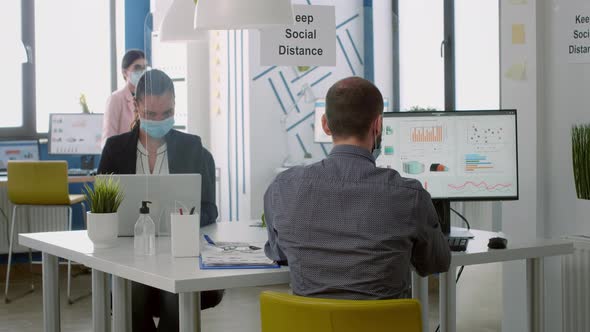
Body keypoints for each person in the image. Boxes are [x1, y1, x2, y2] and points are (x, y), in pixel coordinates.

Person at [264, 76, 451, 300]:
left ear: (325, 125)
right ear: (378, 125)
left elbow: (280, 254)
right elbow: (435, 263)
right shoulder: (410, 195)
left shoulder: (282, 187)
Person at [98, 69, 223, 331]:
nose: (159, 120)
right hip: (130, 255)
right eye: (150, 114)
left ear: (175, 105)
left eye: (167, 113)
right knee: (131, 293)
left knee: (175, 295)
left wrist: (183, 217)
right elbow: (102, 209)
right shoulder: (115, 150)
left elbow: (210, 210)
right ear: (136, 106)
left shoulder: (192, 148)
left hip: (179, 254)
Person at [102, 49, 147, 145]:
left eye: (144, 68)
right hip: (121, 157)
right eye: (137, 68)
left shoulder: (148, 98)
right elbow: (108, 139)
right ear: (125, 72)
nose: (142, 72)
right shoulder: (116, 99)